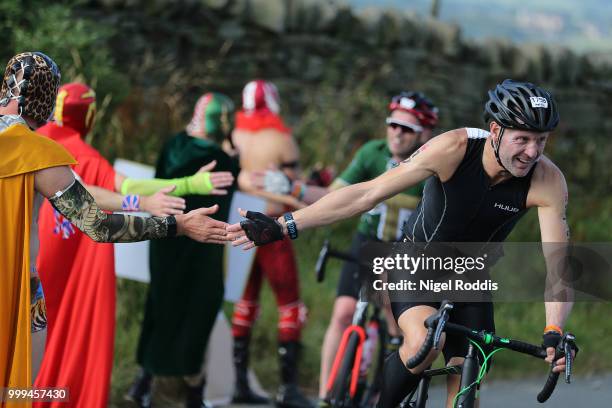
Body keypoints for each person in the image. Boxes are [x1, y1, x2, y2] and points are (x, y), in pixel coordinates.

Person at [228, 79, 575, 407]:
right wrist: (285, 225)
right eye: (523, 139)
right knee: (427, 343)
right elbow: (366, 194)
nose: (532, 152)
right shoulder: (453, 148)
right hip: (416, 263)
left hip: (470, 275)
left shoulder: (547, 181)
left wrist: (554, 329)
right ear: (496, 131)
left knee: (469, 372)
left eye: (541, 140)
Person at [0, 51, 230, 401]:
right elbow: (98, 227)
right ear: (47, 101)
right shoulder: (39, 156)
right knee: (16, 394)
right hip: (18, 295)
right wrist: (177, 225)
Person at [313, 92, 439, 403]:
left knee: (393, 315)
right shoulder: (372, 152)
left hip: (406, 249)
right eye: (393, 125)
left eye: (407, 129)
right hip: (367, 243)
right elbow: (336, 194)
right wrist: (302, 189)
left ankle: (388, 383)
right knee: (342, 312)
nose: (397, 133)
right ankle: (324, 395)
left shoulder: (432, 163)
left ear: (424, 133)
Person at [127, 92, 239, 408]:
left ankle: (144, 382)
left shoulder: (173, 145)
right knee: (198, 312)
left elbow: (156, 182)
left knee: (160, 306)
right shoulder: (226, 160)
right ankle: (193, 390)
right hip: (204, 250)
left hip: (165, 241)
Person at [229, 80, 311, 408]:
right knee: (290, 306)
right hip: (273, 228)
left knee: (245, 303)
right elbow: (295, 186)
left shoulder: (233, 135)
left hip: (241, 224)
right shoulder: (280, 137)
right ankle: (287, 388)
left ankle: (239, 384)